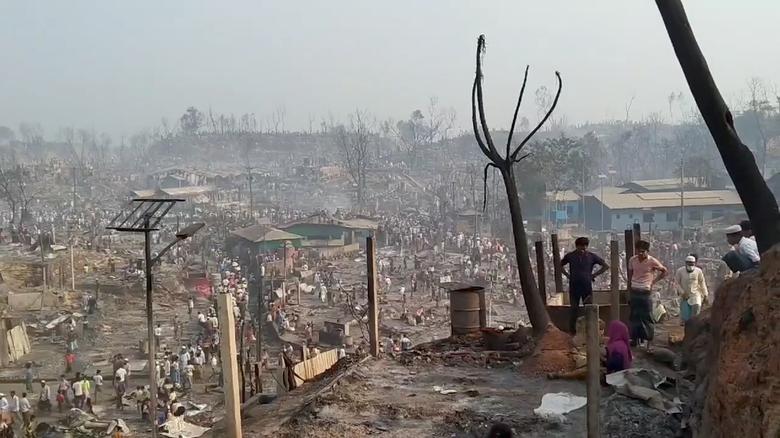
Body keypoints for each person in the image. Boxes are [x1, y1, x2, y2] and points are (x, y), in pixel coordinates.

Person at [561, 237, 609, 334]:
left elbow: (605, 266)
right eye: (581, 247)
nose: (584, 249)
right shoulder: (571, 256)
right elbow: (560, 265)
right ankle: (572, 332)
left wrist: (593, 275)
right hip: (574, 287)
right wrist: (567, 275)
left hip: (586, 287)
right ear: (577, 246)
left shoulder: (591, 256)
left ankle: (590, 331)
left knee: (589, 309)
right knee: (574, 309)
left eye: (585, 246)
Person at [627, 240, 667, 350]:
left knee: (647, 317)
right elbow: (630, 274)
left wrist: (653, 282)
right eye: (639, 251)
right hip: (634, 290)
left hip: (645, 292)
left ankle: (649, 342)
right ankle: (635, 339)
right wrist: (629, 288)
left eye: (643, 251)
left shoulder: (652, 261)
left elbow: (664, 271)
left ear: (647, 251)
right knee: (634, 316)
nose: (640, 254)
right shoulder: (632, 260)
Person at [674, 255, 709, 324]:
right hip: (685, 295)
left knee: (696, 309)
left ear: (695, 263)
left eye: (692, 263)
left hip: (695, 294)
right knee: (685, 317)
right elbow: (676, 283)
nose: (690, 265)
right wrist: (682, 293)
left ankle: (694, 325)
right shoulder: (680, 271)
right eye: (689, 263)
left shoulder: (698, 271)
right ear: (686, 263)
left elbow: (702, 283)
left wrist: (705, 294)